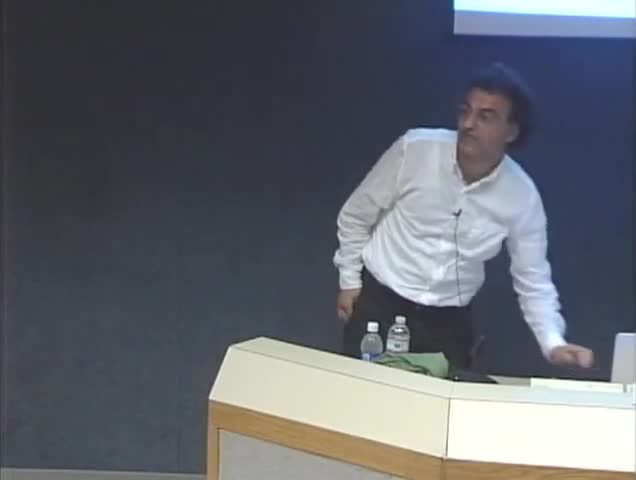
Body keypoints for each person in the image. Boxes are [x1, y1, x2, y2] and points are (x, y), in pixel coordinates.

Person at [333, 62, 594, 369]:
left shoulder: (521, 196)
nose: (468, 124)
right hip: (380, 303)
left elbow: (533, 279)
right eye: (465, 111)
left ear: (511, 131)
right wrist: (349, 280)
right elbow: (355, 215)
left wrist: (553, 342)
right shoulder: (415, 149)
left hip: (447, 322)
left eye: (485, 117)